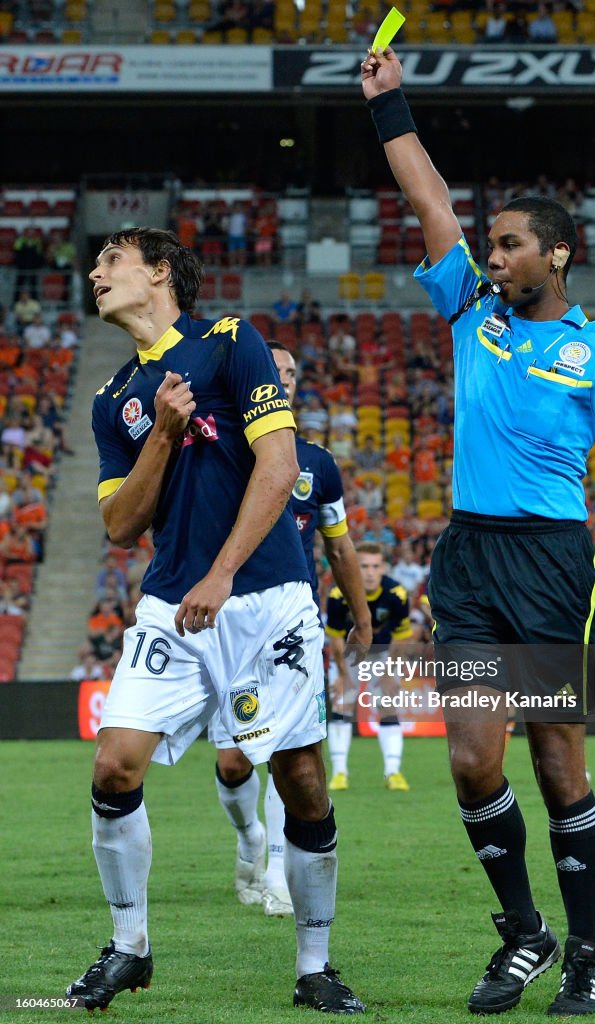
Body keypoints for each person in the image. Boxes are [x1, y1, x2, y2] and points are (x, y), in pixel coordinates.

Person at [361, 49, 595, 1017]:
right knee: (468, 760)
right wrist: (388, 107)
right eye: (488, 244)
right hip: (466, 557)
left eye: (507, 246)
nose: (489, 256)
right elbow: (430, 204)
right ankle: (524, 935)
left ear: (555, 254)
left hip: (549, 562)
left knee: (555, 763)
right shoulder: (469, 311)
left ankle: (584, 954)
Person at [66, 228, 364, 1015]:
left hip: (264, 595)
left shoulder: (231, 341)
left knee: (301, 781)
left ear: (159, 273)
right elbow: (122, 526)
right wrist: (161, 434)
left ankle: (314, 966)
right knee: (113, 765)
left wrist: (224, 571)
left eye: (112, 261)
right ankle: (129, 948)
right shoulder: (112, 402)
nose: (95, 273)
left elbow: (279, 465)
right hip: (171, 602)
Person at [208, 341, 371, 917]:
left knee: (288, 754)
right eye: (273, 371)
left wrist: (361, 613)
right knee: (232, 763)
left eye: (292, 373)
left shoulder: (317, 463)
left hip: (291, 622)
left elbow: (340, 545)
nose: (284, 379)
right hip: (225, 618)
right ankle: (249, 834)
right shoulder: (221, 451)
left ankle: (278, 868)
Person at [325, 541, 413, 791]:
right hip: (349, 654)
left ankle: (393, 772)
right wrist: (343, 675)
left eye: (375, 566)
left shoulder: (397, 595)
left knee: (388, 708)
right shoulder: (339, 594)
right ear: (355, 567)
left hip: (382, 654)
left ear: (383, 567)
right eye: (364, 566)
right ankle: (340, 773)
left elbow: (401, 636)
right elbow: (335, 637)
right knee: (342, 705)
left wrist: (389, 673)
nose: (370, 572)